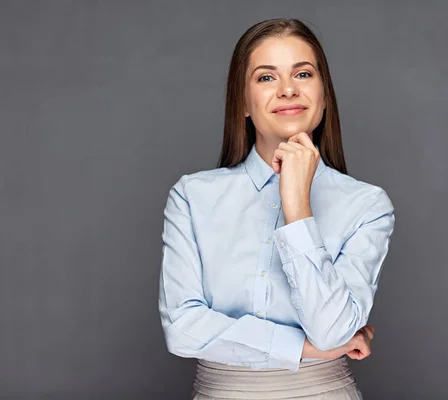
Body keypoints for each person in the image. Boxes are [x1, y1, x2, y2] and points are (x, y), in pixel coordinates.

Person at [158, 18, 395, 400]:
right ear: (243, 103)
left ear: (323, 94)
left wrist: (297, 205)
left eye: (303, 73)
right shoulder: (193, 196)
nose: (288, 89)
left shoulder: (366, 205)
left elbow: (332, 332)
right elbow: (183, 329)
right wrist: (304, 350)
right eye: (266, 78)